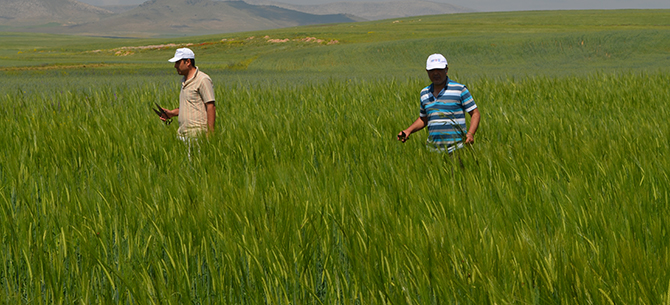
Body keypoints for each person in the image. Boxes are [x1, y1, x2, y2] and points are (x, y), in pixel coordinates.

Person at [397, 53, 480, 153]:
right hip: (433, 152)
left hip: (457, 149)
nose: (435, 73)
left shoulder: (460, 89)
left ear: (446, 70)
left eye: (439, 70)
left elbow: (475, 113)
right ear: (427, 71)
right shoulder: (424, 93)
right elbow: (424, 119)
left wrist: (470, 134)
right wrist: (408, 130)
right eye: (432, 70)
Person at [161, 48, 216, 139]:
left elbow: (211, 106)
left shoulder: (202, 79)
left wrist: (210, 134)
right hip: (182, 134)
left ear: (188, 62)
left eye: (178, 62)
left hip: (197, 134)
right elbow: (189, 106)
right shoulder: (184, 81)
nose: (175, 66)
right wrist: (171, 113)